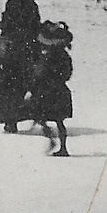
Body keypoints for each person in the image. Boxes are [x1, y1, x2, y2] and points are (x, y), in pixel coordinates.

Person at [0, 0, 41, 132]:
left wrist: (3, 22)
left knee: (6, 85)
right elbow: (35, 26)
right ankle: (13, 118)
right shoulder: (31, 5)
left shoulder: (13, 4)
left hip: (11, 50)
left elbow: (10, 24)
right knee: (18, 85)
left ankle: (8, 119)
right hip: (25, 50)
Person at [27, 20, 75, 156]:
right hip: (60, 90)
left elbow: (40, 72)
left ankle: (52, 140)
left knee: (39, 115)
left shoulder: (48, 56)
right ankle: (63, 147)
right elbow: (67, 73)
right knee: (59, 121)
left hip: (46, 90)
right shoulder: (64, 56)